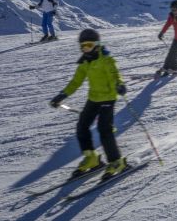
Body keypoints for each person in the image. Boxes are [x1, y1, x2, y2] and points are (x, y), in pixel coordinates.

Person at [49, 29, 128, 180]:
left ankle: (116, 162)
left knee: (104, 129)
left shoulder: (106, 59)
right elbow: (76, 81)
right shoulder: (85, 61)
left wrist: (120, 84)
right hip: (93, 98)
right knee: (82, 126)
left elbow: (116, 74)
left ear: (97, 45)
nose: (86, 49)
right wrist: (62, 95)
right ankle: (92, 158)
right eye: (83, 46)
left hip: (108, 98)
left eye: (89, 45)